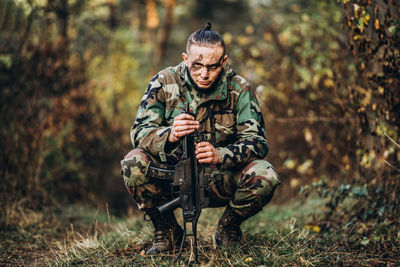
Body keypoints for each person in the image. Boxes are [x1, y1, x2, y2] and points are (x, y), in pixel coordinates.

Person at [120, 23, 281, 255]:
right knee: (132, 163)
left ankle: (228, 228)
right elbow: (139, 133)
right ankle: (166, 230)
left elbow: (257, 141)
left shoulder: (240, 89)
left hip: (218, 178)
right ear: (185, 58)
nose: (204, 74)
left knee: (265, 175)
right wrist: (170, 134)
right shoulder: (164, 82)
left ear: (223, 62)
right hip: (172, 176)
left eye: (213, 66)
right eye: (197, 65)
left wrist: (221, 155)